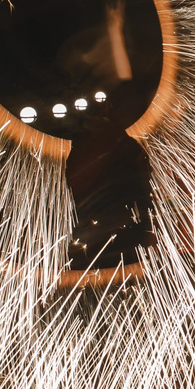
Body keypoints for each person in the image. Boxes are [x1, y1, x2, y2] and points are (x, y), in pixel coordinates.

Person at [64, 90, 152, 272]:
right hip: (111, 224)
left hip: (102, 225)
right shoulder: (123, 145)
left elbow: (141, 185)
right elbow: (142, 186)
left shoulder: (116, 145)